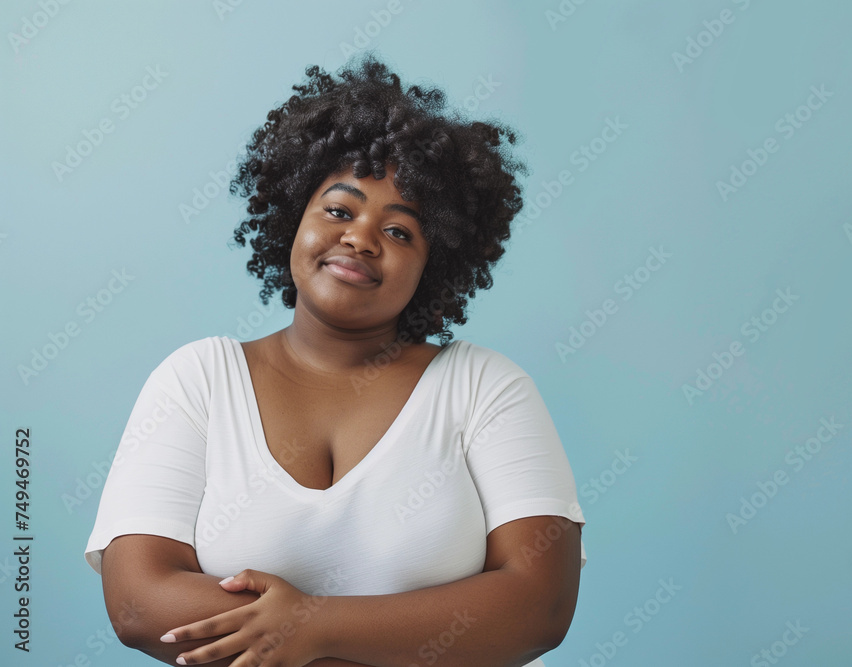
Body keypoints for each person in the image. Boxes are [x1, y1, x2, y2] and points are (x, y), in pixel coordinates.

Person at [85, 53, 587, 667]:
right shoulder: (199, 380)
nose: (361, 237)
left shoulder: (487, 388)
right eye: (339, 210)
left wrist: (311, 625)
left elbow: (540, 606)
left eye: (400, 232)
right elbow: (138, 602)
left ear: (438, 263)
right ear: (294, 214)